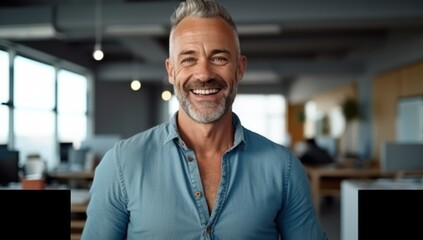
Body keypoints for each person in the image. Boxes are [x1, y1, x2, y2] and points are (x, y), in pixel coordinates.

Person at [81, 0, 328, 239]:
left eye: (219, 58)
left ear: (240, 69)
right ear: (171, 71)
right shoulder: (121, 165)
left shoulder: (283, 169)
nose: (204, 74)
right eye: (188, 59)